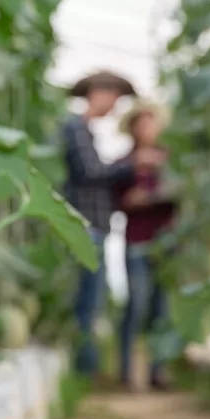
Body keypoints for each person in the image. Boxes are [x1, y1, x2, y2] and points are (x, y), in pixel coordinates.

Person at [61, 71, 165, 380]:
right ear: (99, 92)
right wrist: (131, 165)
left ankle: (88, 368)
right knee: (89, 303)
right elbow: (92, 172)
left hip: (96, 227)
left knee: (93, 300)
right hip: (88, 226)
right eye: (115, 100)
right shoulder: (76, 128)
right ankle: (86, 370)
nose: (114, 107)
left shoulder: (85, 132)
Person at [112, 99, 178, 391]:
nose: (145, 127)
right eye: (140, 122)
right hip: (136, 242)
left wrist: (148, 197)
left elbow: (181, 190)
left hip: (166, 242)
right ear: (132, 127)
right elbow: (121, 201)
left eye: (150, 121)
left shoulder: (169, 159)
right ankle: (126, 372)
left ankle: (158, 372)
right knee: (136, 305)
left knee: (161, 309)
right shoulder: (123, 163)